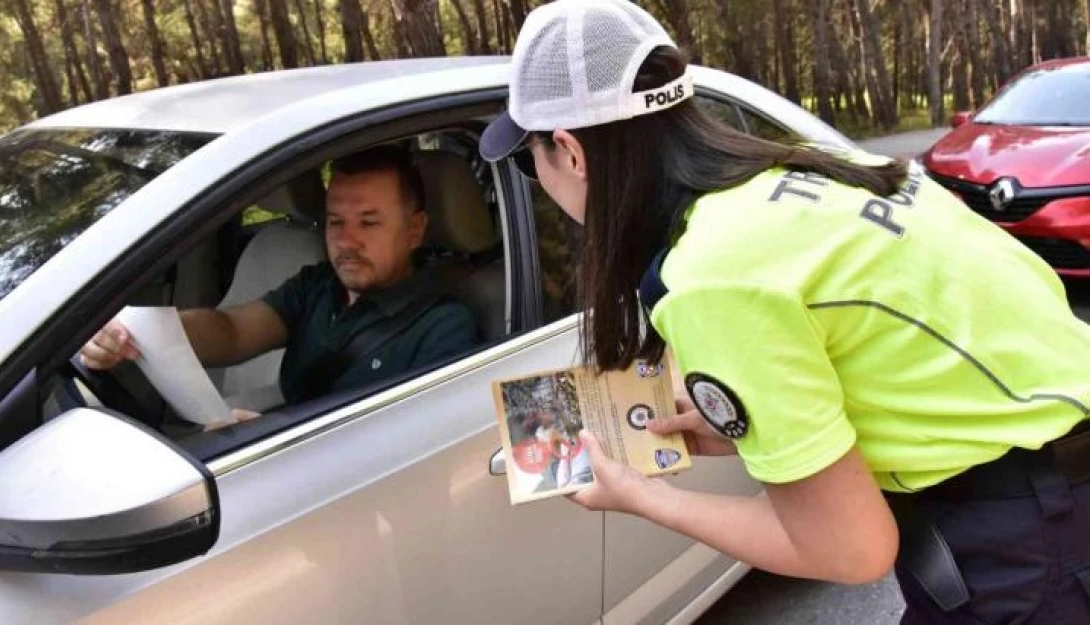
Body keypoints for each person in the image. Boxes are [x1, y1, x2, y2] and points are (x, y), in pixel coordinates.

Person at [479, 1, 1090, 623]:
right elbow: (906, 342)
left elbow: (851, 549)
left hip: (1031, 542)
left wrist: (645, 498)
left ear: (569, 151)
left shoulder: (709, 275)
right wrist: (742, 432)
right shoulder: (806, 170)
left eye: (531, 162)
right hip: (1052, 488)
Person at [80, 145, 479, 411]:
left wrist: (286, 449)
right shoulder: (319, 285)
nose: (346, 240)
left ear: (415, 230)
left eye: (369, 222)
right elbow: (233, 330)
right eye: (336, 221)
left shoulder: (444, 327)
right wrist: (141, 334)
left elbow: (415, 447)